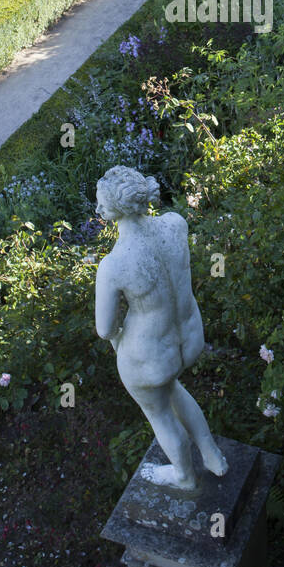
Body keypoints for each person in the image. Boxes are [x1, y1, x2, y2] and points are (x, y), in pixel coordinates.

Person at [94, 165, 228, 490]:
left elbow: (104, 328)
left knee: (160, 414)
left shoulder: (114, 264)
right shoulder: (175, 224)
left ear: (112, 209)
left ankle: (183, 476)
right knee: (174, 389)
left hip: (149, 356)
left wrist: (120, 337)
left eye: (100, 203)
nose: (97, 209)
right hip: (189, 339)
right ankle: (211, 454)